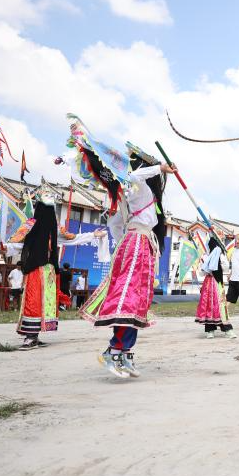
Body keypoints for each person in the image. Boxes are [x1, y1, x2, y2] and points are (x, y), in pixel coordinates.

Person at [81, 151, 174, 379]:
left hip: (138, 244)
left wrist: (124, 239)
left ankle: (125, 354)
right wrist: (160, 168)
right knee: (129, 298)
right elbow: (133, 176)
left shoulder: (134, 195)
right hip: (137, 244)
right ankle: (113, 351)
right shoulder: (140, 188)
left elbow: (114, 224)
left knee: (138, 301)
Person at [7, 196, 106, 350]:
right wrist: (5, 248)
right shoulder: (30, 226)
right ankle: (29, 336)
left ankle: (34, 336)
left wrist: (93, 235)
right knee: (33, 302)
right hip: (35, 271)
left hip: (49, 273)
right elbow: (16, 244)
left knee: (45, 304)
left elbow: (72, 239)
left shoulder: (54, 228)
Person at [196, 236, 233, 337]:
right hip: (210, 283)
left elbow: (226, 267)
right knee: (209, 306)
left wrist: (216, 265)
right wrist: (206, 266)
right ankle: (210, 330)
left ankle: (227, 329)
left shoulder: (220, 256)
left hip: (217, 282)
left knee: (220, 305)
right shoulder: (206, 257)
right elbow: (201, 272)